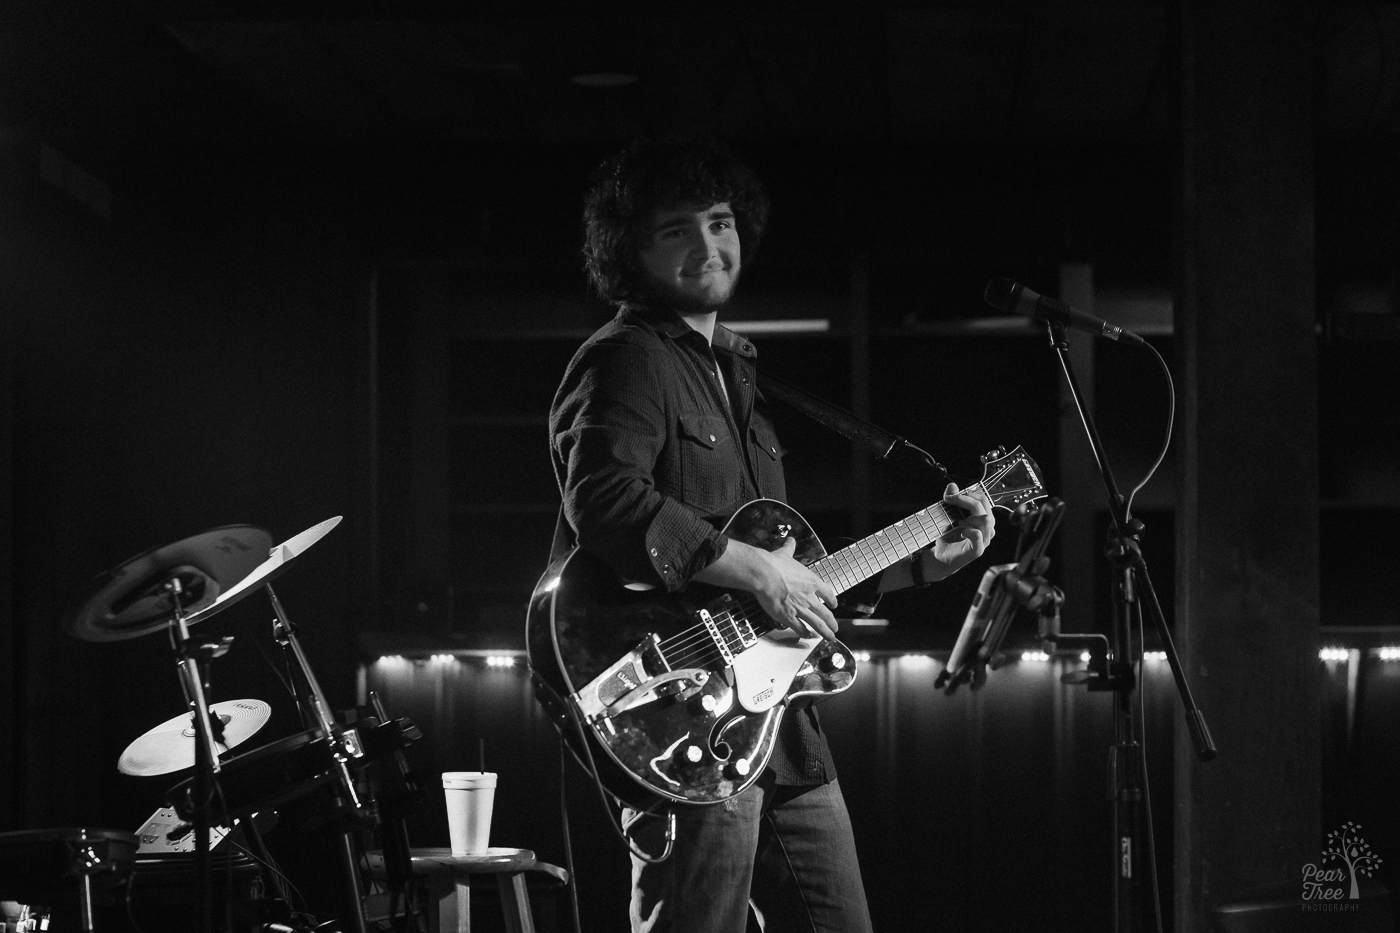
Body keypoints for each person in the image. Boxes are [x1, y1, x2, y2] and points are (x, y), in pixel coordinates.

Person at [548, 137, 996, 933]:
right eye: (674, 231)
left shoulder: (737, 370)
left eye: (719, 222)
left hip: (778, 720)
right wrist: (756, 571)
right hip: (686, 712)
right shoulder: (627, 357)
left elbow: (796, 574)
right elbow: (606, 498)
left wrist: (928, 561)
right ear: (630, 252)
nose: (707, 247)